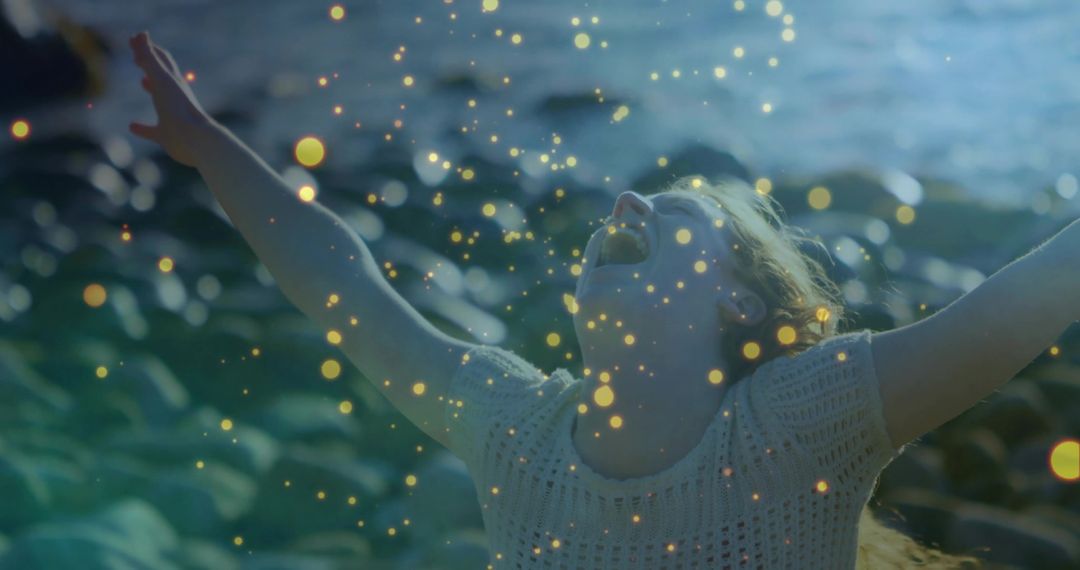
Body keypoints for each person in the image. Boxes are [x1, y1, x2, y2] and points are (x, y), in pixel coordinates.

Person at [129, 29, 1078, 568]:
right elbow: (350, 291)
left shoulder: (804, 423)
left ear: (740, 304)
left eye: (668, 213)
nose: (621, 202)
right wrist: (212, 150)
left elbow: (1014, 306)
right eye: (625, 204)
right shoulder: (512, 427)